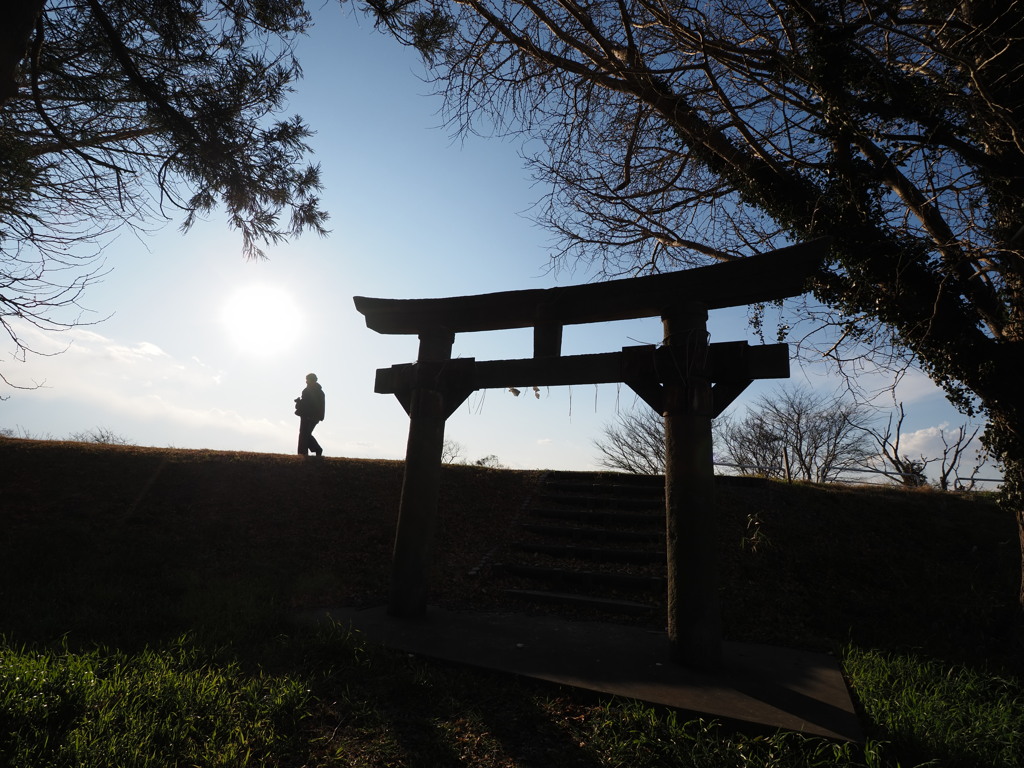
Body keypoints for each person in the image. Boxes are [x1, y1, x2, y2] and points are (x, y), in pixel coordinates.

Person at [295, 372, 325, 457]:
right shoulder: (309, 390)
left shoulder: (317, 392)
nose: (306, 382)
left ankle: (307, 452)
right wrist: (299, 402)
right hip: (307, 416)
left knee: (304, 434)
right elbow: (306, 403)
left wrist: (299, 403)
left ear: (312, 380)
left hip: (311, 416)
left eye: (307, 380)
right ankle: (305, 453)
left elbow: (313, 405)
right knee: (305, 434)